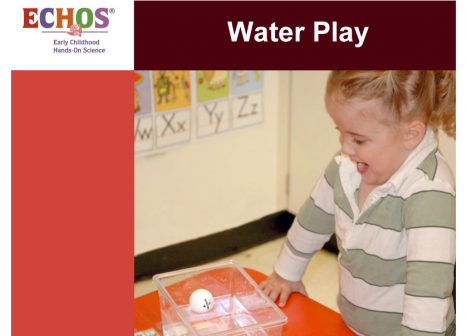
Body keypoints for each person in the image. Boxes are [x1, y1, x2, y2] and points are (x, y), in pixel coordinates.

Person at [259, 71, 456, 336]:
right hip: (353, 326)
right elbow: (312, 220)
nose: (346, 149)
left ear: (411, 134)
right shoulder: (347, 166)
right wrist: (286, 274)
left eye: (359, 139)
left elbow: (428, 297)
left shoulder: (430, 194)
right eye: (341, 133)